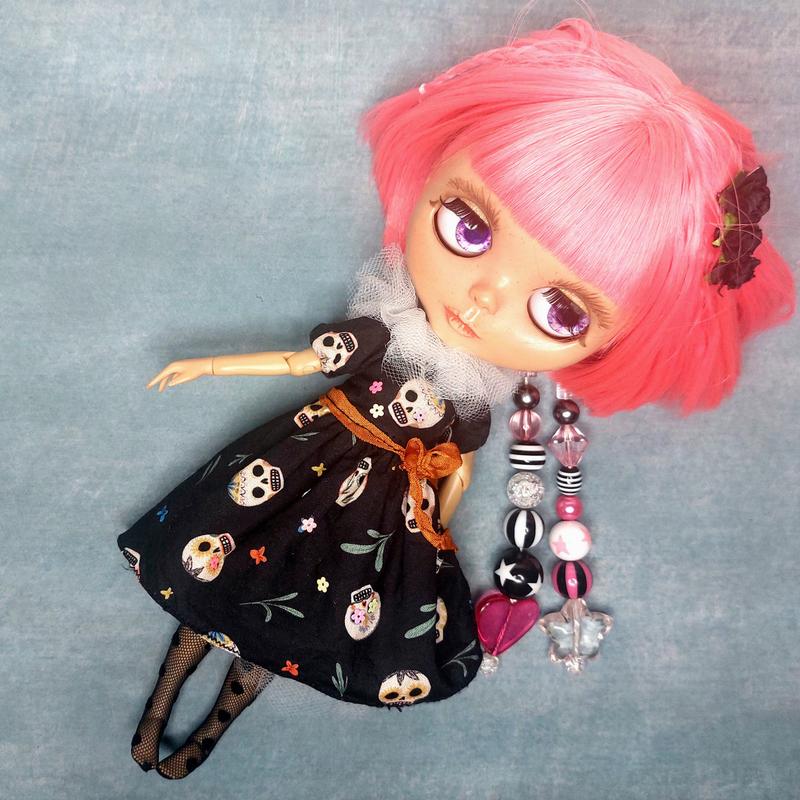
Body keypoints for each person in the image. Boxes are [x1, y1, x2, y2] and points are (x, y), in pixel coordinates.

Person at [117, 17, 795, 780]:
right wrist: (209, 366)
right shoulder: (387, 333)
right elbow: (303, 361)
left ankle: (204, 736)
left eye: (561, 311)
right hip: (303, 466)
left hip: (378, 517)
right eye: (467, 226)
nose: (482, 298)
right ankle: (156, 716)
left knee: (284, 628)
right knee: (215, 588)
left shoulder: (472, 399)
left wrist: (433, 520)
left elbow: (459, 467)